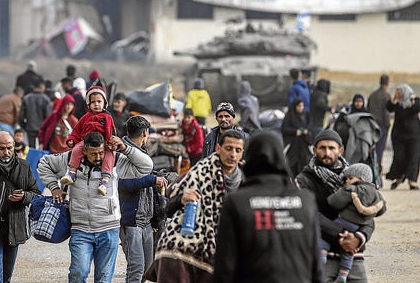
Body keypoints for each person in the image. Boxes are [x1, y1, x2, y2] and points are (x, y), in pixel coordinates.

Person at [37, 131, 154, 283]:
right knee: (78, 273)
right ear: (84, 150)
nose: (98, 157)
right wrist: (54, 187)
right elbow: (43, 163)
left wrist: (125, 148)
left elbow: (146, 166)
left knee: (104, 278)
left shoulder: (115, 161)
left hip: (109, 228)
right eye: (93, 154)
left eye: (101, 153)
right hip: (80, 229)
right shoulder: (69, 159)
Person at [213, 131, 323, 283]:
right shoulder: (305, 200)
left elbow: (224, 267)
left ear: (249, 157)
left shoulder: (237, 202)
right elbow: (316, 265)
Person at [145, 129, 246, 282]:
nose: (233, 155)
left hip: (225, 246)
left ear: (242, 153)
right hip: (190, 246)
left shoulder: (246, 179)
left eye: (237, 150)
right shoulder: (199, 173)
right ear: (218, 149)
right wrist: (181, 199)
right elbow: (168, 208)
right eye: (228, 148)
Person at [296, 129, 371, 283]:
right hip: (323, 255)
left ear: (340, 150)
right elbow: (309, 214)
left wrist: (359, 238)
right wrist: (342, 235)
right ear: (314, 150)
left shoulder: (355, 178)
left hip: (352, 254)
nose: (327, 153)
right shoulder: (304, 180)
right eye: (322, 148)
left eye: (332, 148)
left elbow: (368, 212)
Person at [0, 131, 41, 283]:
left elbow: (36, 192)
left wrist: (24, 197)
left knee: (6, 276)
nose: (6, 152)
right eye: (2, 148)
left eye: (10, 148)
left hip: (14, 228)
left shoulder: (23, 167)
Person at [117, 116, 167, 283]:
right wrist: (152, 180)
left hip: (145, 221)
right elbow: (121, 185)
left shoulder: (140, 152)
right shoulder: (123, 155)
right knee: (136, 268)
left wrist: (154, 220)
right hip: (131, 221)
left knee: (147, 268)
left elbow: (149, 191)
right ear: (145, 132)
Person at [322, 163, 387, 283]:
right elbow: (380, 210)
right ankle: (343, 274)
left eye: (350, 178)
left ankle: (322, 255)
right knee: (348, 252)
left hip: (344, 228)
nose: (347, 181)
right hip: (354, 235)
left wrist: (358, 238)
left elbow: (333, 202)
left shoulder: (351, 188)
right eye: (346, 178)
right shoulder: (376, 193)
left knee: (324, 242)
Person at [60, 86, 117, 196]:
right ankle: (71, 173)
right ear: (88, 105)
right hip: (86, 142)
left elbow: (111, 131)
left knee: (109, 156)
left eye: (99, 101)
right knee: (76, 149)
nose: (96, 104)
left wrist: (111, 143)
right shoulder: (85, 117)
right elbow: (76, 130)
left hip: (103, 143)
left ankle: (104, 182)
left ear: (104, 103)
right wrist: (72, 140)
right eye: (93, 102)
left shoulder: (107, 117)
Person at [385, 84, 420, 190]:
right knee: (399, 157)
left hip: (413, 136)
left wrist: (412, 102)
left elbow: (417, 108)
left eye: (400, 92)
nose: (398, 93)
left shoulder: (414, 100)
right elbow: (389, 108)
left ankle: (412, 181)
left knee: (414, 157)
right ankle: (399, 177)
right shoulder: (397, 103)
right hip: (399, 136)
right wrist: (394, 99)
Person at [367, 75, 391, 176]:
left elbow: (368, 108)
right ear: (387, 83)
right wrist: (388, 124)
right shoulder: (386, 95)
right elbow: (386, 112)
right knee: (380, 146)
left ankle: (371, 166)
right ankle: (378, 166)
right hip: (381, 124)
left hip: (371, 123)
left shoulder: (372, 95)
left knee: (372, 146)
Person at [281, 98, 311, 177]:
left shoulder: (305, 114)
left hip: (303, 144)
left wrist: (306, 130)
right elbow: (284, 129)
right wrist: (295, 131)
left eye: (302, 106)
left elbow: (310, 124)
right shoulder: (290, 116)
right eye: (299, 106)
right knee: (292, 165)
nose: (301, 108)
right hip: (293, 145)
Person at [18, 79, 51, 149]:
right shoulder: (46, 99)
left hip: (30, 128)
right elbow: (48, 117)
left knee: (30, 149)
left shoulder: (26, 98)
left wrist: (25, 126)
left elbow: (21, 116)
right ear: (42, 87)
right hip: (42, 130)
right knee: (41, 150)